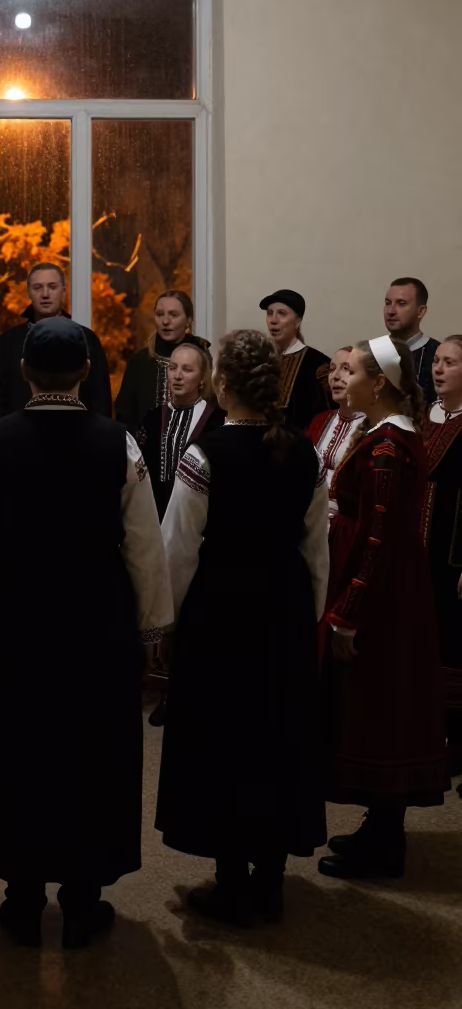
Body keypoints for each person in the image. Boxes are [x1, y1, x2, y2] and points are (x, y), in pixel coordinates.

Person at [0, 317, 173, 949]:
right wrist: (154, 627)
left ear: (24, 372)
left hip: (15, 612)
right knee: (90, 747)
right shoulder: (119, 444)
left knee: (17, 745)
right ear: (86, 373)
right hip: (95, 613)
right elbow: (144, 547)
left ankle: (21, 896)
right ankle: (82, 897)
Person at [156, 328, 329, 926]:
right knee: (275, 735)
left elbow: (178, 550)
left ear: (222, 385)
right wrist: (308, 616)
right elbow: (316, 549)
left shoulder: (204, 456)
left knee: (223, 736)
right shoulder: (305, 453)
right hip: (283, 607)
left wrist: (165, 623)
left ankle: (231, 879)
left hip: (221, 611)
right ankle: (270, 879)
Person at [318, 336, 447, 880]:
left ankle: (386, 842)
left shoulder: (388, 446)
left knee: (383, 708)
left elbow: (378, 538)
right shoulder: (387, 434)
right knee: (377, 709)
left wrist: (349, 612)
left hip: (385, 598)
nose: (343, 379)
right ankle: (380, 825)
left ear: (379, 385)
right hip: (394, 589)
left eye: (353, 373)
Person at [0, 264, 112, 424]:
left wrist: (98, 435)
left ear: (64, 291)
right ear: (29, 292)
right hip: (18, 435)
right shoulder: (7, 343)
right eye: (38, 287)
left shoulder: (86, 339)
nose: (45, 294)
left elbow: (101, 400)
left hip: (78, 434)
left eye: (52, 287)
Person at [422, 336, 462, 770]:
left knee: (451, 638)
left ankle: (455, 740)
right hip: (415, 548)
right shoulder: (422, 415)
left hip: (450, 550)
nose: (439, 368)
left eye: (449, 362)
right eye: (436, 361)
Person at [137, 341, 223, 521]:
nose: (177, 376)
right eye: (173, 368)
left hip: (197, 515)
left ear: (202, 378)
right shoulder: (152, 418)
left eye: (187, 369)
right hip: (154, 515)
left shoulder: (216, 420)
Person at [116, 289, 211, 435]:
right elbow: (124, 415)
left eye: (174, 315)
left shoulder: (201, 357)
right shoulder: (141, 360)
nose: (165, 321)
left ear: (188, 320)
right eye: (160, 314)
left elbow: (211, 407)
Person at [307, 347, 365, 524]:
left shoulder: (374, 427)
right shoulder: (320, 421)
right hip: (312, 517)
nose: (335, 376)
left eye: (346, 369)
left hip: (349, 525)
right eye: (332, 369)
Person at [260, 288, 330, 430]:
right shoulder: (261, 361)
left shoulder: (318, 364)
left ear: (297, 322)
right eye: (270, 313)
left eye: (282, 313)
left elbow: (327, 417)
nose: (273, 320)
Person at [383, 277, 440, 404]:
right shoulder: (372, 352)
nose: (391, 311)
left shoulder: (438, 355)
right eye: (388, 303)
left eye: (401, 303)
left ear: (420, 311)